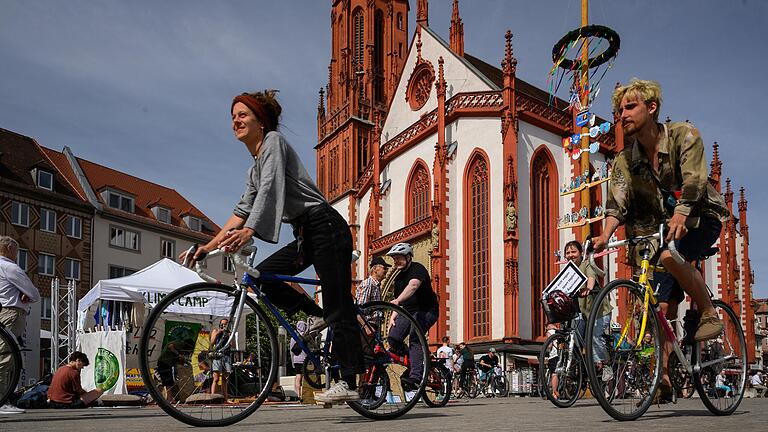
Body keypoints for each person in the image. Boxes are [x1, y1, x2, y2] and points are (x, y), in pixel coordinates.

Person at [180, 91, 363, 404]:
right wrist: (206, 246)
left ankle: (348, 380)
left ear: (261, 122)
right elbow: (242, 208)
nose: (236, 120)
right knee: (263, 276)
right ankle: (317, 318)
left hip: (326, 225)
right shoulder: (254, 167)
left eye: (243, 115)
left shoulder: (274, 143)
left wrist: (252, 229)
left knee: (337, 300)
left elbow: (271, 188)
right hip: (306, 232)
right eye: (233, 116)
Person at [594, 79, 730, 392]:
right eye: (619, 109)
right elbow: (617, 202)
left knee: (669, 255)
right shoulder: (625, 160)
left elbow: (695, 179)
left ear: (651, 107)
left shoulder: (684, 134)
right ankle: (664, 376)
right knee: (660, 308)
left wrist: (682, 212)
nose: (622, 114)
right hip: (665, 229)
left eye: (630, 106)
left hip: (702, 217)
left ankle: (710, 312)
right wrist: (604, 235)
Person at [385, 243, 439, 390]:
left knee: (415, 337)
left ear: (408, 257)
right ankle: (413, 359)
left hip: (427, 310)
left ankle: (415, 376)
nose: (396, 261)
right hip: (408, 311)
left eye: (399, 258)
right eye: (394, 259)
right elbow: (399, 301)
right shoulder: (398, 278)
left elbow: (413, 286)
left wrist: (397, 301)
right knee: (393, 338)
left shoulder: (417, 269)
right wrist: (392, 316)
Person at [0, 236, 40, 414]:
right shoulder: (10, 267)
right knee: (6, 357)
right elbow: (34, 293)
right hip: (11, 312)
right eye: (16, 250)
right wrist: (26, 294)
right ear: (8, 249)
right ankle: (2, 399)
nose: (17, 255)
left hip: (3, 310)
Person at [563, 240, 612, 382]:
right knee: (574, 335)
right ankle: (582, 365)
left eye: (573, 252)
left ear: (580, 253)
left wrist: (588, 289)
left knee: (595, 337)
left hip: (599, 313)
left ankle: (605, 364)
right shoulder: (568, 272)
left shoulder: (586, 265)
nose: (570, 255)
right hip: (582, 313)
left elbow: (591, 277)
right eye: (568, 253)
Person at [355, 256, 390, 333]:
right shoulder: (368, 284)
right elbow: (359, 309)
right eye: (384, 268)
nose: (386, 271)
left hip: (374, 326)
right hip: (366, 326)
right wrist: (366, 327)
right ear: (375, 269)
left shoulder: (376, 285)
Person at [210, 318, 232, 399]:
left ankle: (225, 397)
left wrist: (229, 335)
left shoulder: (229, 333)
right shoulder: (215, 330)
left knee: (225, 378)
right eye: (222, 324)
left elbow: (233, 345)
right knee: (216, 378)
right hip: (217, 355)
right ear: (219, 324)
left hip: (226, 355)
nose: (223, 326)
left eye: (225, 324)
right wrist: (217, 333)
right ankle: (212, 397)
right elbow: (211, 343)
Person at [290, 320, 308, 401]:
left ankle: (298, 394)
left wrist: (292, 362)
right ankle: (305, 394)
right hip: (305, 360)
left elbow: (291, 351)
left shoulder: (294, 337)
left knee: (298, 376)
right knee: (305, 377)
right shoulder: (307, 337)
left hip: (296, 360)